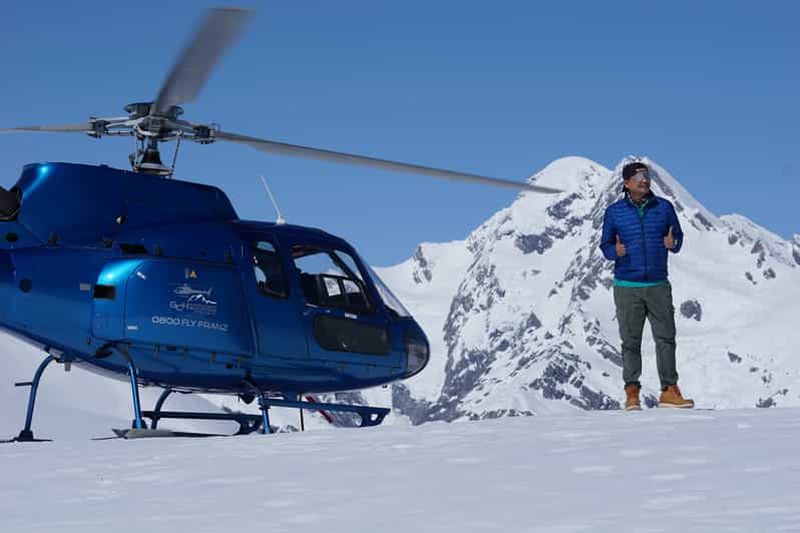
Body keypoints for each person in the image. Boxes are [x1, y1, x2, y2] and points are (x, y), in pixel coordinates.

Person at [599, 161, 694, 410]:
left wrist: (673, 243)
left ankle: (669, 391)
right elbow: (605, 245)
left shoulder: (664, 208)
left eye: (647, 175)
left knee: (666, 338)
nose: (645, 180)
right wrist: (614, 251)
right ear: (627, 183)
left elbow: (679, 238)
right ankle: (632, 392)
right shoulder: (614, 212)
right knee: (630, 341)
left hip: (658, 284)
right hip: (626, 285)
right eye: (639, 176)